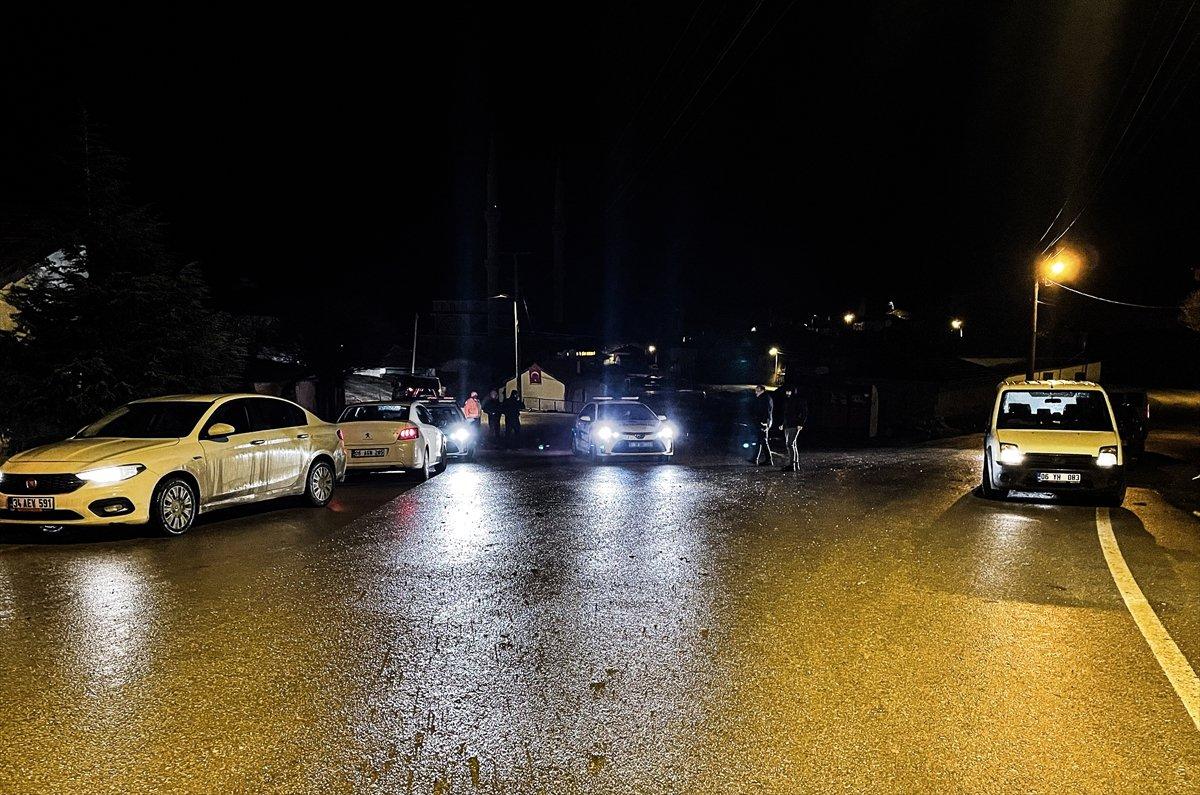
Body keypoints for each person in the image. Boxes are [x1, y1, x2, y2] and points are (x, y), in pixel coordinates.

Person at [778, 385, 808, 472]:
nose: (787, 393)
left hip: (794, 424)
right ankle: (795, 464)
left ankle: (792, 465)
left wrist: (800, 423)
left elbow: (803, 412)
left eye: (789, 391)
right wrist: (783, 424)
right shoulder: (788, 400)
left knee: (790, 444)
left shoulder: (798, 400)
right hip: (788, 424)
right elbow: (786, 413)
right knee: (792, 444)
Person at [750, 384, 774, 466]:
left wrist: (766, 423)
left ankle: (769, 460)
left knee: (763, 441)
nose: (755, 391)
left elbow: (768, 411)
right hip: (761, 422)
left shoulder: (766, 398)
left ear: (761, 390)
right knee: (760, 440)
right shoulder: (762, 398)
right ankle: (755, 458)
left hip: (763, 423)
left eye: (757, 390)